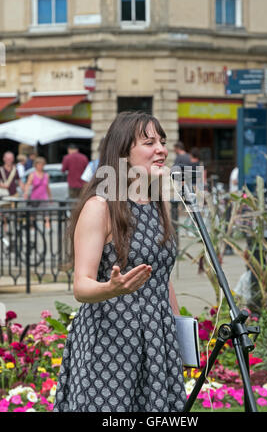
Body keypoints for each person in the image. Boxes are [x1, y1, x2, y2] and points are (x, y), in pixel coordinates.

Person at [53, 111, 187, 412]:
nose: (161, 149)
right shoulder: (100, 207)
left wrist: (181, 333)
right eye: (149, 142)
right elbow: (81, 286)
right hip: (111, 341)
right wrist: (112, 288)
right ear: (122, 152)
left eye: (162, 142)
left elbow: (161, 277)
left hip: (157, 338)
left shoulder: (158, 203)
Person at [23, 157, 52, 227]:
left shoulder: (46, 175)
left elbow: (47, 187)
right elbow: (28, 184)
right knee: (33, 214)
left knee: (46, 214)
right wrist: (26, 193)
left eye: (42, 165)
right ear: (35, 165)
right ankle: (32, 227)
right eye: (39, 164)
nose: (40, 166)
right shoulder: (32, 175)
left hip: (43, 197)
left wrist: (50, 197)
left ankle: (48, 229)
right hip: (34, 197)